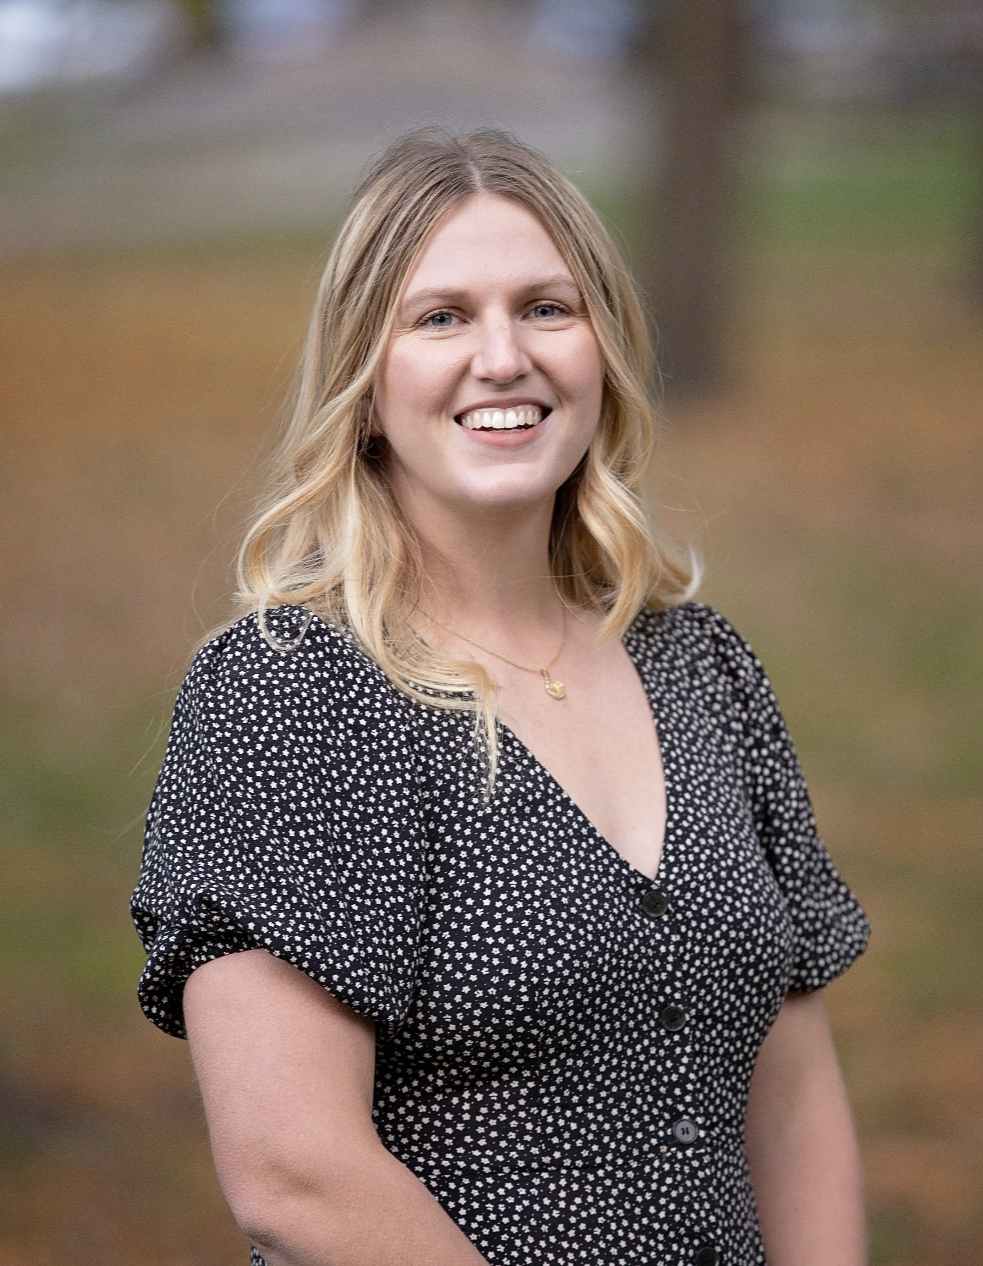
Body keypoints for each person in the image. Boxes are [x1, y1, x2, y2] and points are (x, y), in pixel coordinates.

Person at [131, 127, 870, 1266]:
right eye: (439, 318)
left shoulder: (702, 668)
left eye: (545, 308)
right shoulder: (292, 697)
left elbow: (792, 1090)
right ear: (363, 387)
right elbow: (293, 1173)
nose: (503, 357)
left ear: (603, 349)